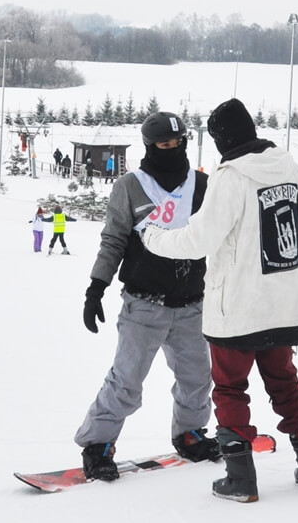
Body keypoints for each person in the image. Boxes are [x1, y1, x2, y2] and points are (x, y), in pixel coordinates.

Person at [138, 98, 298, 502]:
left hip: (239, 310)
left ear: (222, 139)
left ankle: (240, 479)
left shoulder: (230, 176)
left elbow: (199, 240)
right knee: (285, 382)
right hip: (284, 304)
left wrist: (153, 237)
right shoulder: (288, 166)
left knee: (229, 388)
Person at [75, 112, 218, 482]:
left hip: (190, 304)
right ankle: (98, 445)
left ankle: (189, 433)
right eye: (163, 145)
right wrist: (96, 287)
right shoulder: (131, 186)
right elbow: (114, 239)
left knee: (197, 378)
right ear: (149, 147)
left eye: (177, 143)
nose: (171, 150)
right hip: (144, 305)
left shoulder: (201, 185)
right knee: (126, 381)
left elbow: (218, 242)